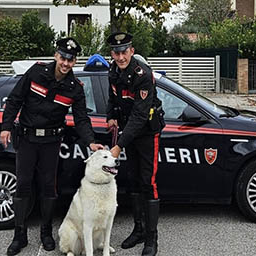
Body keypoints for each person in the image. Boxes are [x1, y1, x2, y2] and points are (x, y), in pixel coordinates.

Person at [0, 37, 104, 256]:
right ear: (56, 55)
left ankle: (46, 232)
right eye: (64, 57)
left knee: (49, 187)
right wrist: (6, 126)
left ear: (75, 61)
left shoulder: (74, 88)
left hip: (50, 142)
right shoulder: (36, 73)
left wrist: (91, 142)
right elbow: (14, 100)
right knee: (23, 186)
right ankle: (19, 235)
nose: (66, 63)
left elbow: (82, 118)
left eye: (71, 59)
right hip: (27, 140)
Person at [106, 32, 164, 256]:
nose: (121, 57)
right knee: (133, 181)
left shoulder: (143, 75)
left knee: (148, 182)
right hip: (129, 134)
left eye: (124, 52)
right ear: (112, 54)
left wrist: (118, 145)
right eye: (117, 53)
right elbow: (113, 98)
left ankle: (152, 239)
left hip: (148, 133)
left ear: (131, 50)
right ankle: (138, 230)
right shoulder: (112, 71)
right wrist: (111, 115)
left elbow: (140, 116)